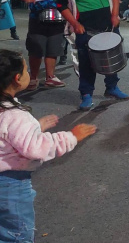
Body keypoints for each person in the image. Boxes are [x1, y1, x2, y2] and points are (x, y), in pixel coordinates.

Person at [0, 49, 96, 242]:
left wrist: (37, 126)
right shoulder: (15, 115)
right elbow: (35, 148)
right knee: (16, 233)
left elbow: (7, 135)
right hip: (10, 184)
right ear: (17, 78)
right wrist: (71, 137)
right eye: (27, 71)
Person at [55, 0, 129, 110]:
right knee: (86, 63)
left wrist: (115, 15)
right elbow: (61, 5)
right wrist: (74, 23)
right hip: (85, 29)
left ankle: (112, 88)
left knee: (110, 59)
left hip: (108, 26)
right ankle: (86, 95)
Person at [9, 0, 68, 90]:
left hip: (59, 17)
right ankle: (33, 78)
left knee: (53, 48)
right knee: (36, 47)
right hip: (38, 17)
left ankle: (50, 77)